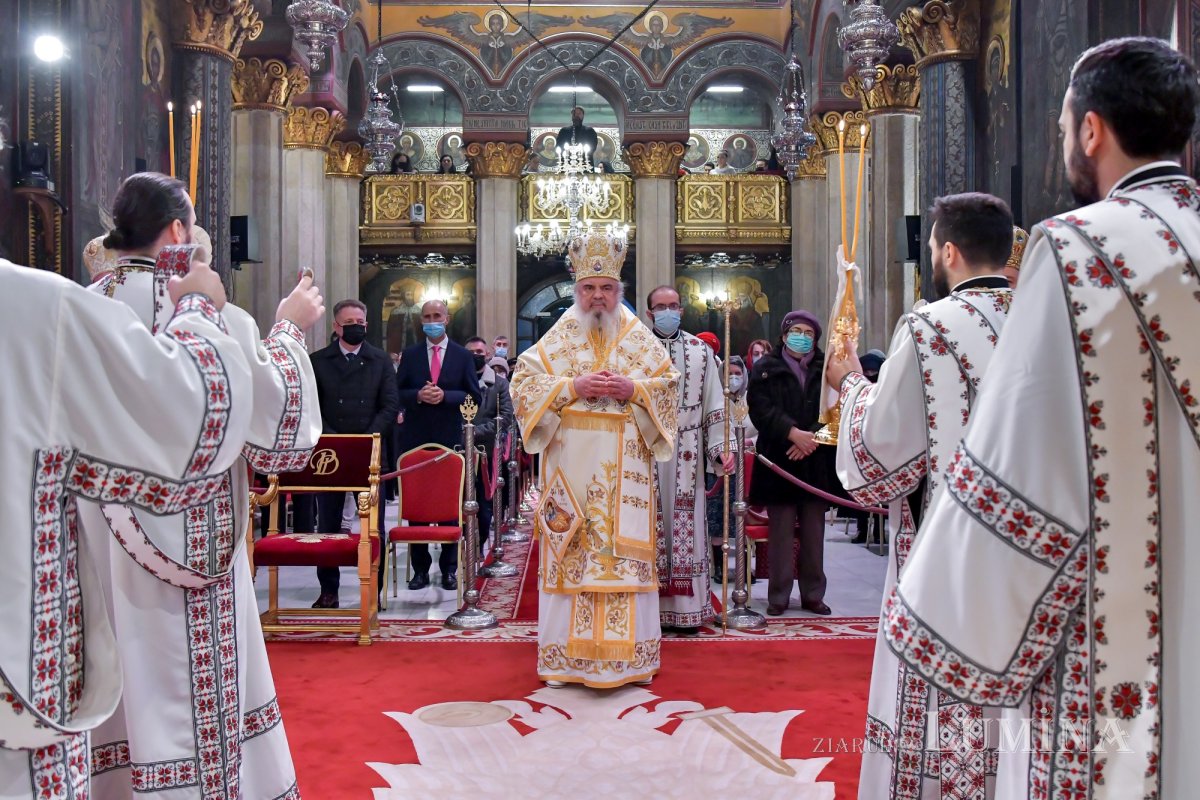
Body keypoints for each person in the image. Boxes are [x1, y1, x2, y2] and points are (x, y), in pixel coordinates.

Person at [883, 38, 1200, 799]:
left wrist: (937, 610)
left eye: (1063, 125)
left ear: (1091, 130)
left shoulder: (1078, 248)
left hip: (1126, 625)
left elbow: (1022, 461)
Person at [75, 172, 325, 800]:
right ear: (180, 231)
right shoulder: (214, 320)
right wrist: (290, 327)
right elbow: (283, 436)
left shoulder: (79, 313)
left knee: (117, 685)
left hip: (98, 548)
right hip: (199, 563)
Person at [0, 255, 276, 798]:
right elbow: (201, 422)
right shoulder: (34, 305)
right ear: (178, 232)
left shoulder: (79, 299)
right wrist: (202, 308)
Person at [826, 192, 1016, 799]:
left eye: (931, 246)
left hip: (948, 549)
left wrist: (851, 383)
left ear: (950, 252)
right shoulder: (1048, 320)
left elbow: (882, 457)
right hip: (1037, 550)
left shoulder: (931, 327)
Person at [510, 230, 678, 688]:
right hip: (572, 469)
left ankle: (630, 662)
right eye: (589, 288)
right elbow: (522, 382)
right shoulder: (561, 333)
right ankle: (567, 662)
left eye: (606, 287)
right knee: (574, 555)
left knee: (621, 560)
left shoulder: (639, 338)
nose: (598, 296)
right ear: (577, 290)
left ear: (618, 290)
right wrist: (571, 388)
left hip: (628, 468)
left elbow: (669, 385)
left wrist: (635, 390)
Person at [298, 298, 399, 609]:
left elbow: (390, 405)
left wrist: (368, 436)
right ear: (336, 326)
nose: (357, 327)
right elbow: (311, 406)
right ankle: (329, 590)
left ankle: (374, 589)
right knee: (327, 526)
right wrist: (334, 438)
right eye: (350, 323)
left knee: (373, 526)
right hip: (331, 454)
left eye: (361, 322)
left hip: (369, 453)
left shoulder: (380, 360)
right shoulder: (318, 361)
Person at [645, 285, 733, 633]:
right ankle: (647, 607)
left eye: (675, 305)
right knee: (648, 527)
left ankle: (686, 611)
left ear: (682, 309)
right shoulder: (635, 348)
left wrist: (720, 449)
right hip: (645, 451)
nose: (669, 311)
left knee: (687, 525)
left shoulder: (700, 352)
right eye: (661, 306)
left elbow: (715, 405)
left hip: (688, 454)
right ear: (649, 312)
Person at [746, 310, 840, 616]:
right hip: (780, 457)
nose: (803, 337)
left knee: (814, 532)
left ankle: (813, 593)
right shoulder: (765, 368)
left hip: (815, 460)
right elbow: (760, 408)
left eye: (809, 332)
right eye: (797, 330)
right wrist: (792, 433)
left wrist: (810, 438)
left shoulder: (828, 367)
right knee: (782, 532)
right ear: (785, 334)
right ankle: (779, 595)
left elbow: (837, 409)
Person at [395, 299, 481, 590]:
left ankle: (449, 568)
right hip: (416, 440)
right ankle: (420, 569)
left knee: (449, 507)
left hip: (449, 439)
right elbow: (397, 392)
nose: (432, 320)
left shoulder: (462, 356)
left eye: (437, 315)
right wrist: (418, 395)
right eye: (427, 316)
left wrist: (446, 396)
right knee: (418, 504)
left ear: (446, 319)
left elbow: (474, 397)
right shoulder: (411, 354)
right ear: (421, 321)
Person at [465, 337, 514, 548]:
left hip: (486, 450)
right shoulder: (458, 380)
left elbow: (505, 417)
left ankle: (480, 543)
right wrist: (462, 434)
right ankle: (460, 551)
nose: (476, 355)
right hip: (459, 449)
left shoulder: (499, 383)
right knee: (458, 502)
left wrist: (473, 432)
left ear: (487, 354)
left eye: (479, 352)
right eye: (471, 352)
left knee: (484, 503)